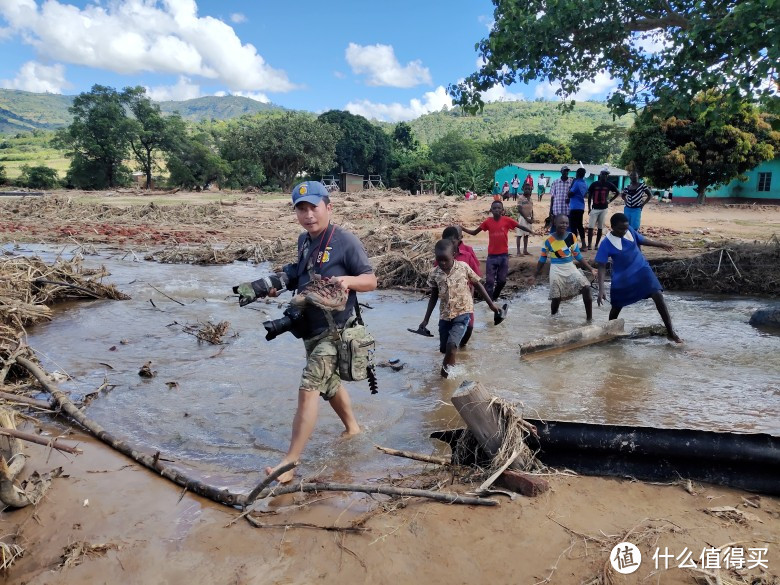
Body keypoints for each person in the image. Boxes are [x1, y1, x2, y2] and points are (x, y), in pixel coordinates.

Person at [257, 181, 377, 483]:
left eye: (313, 207)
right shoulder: (305, 240)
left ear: (328, 207)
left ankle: (289, 464)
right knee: (330, 385)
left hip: (336, 332)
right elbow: (300, 271)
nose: (308, 214)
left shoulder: (346, 241)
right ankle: (353, 429)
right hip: (310, 329)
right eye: (301, 209)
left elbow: (371, 280)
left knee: (309, 388)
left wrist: (348, 281)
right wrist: (276, 284)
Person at [419, 239, 501, 377]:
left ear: (454, 255)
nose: (443, 263)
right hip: (445, 315)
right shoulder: (434, 273)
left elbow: (477, 284)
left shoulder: (463, 267)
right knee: (444, 349)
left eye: (445, 260)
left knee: (451, 347)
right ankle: (455, 369)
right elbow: (433, 297)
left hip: (463, 312)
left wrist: (491, 305)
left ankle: (445, 378)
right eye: (439, 260)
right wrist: (425, 320)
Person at [596, 213, 681, 343]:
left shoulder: (629, 230)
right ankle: (609, 333)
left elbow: (643, 240)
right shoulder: (606, 243)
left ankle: (671, 332)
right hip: (622, 278)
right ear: (612, 227)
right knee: (616, 306)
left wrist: (661, 244)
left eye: (626, 228)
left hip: (642, 270)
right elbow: (601, 267)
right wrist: (601, 289)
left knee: (658, 295)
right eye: (620, 229)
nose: (624, 231)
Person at [462, 200, 531, 300]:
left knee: (502, 281)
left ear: (502, 210)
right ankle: (489, 303)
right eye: (494, 208)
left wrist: (532, 231)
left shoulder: (507, 220)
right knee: (489, 281)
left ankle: (494, 298)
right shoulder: (488, 222)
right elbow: (474, 233)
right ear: (491, 210)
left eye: (499, 208)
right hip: (492, 257)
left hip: (503, 256)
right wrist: (463, 229)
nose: (497, 210)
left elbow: (520, 226)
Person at [533, 214, 596, 320]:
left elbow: (578, 255)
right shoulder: (548, 240)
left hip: (570, 267)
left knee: (586, 288)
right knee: (556, 297)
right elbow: (543, 259)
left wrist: (591, 269)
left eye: (566, 223)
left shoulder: (572, 236)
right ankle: (553, 319)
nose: (564, 225)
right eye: (562, 222)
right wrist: (534, 275)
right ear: (555, 223)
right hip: (556, 269)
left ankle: (589, 320)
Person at [440, 225, 481, 347]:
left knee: (469, 327)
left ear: (459, 239)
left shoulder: (467, 254)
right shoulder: (441, 258)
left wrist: (472, 296)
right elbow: (437, 279)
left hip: (466, 299)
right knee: (446, 340)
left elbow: (476, 278)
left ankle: (460, 348)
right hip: (448, 302)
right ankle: (453, 352)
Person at [587, 168, 620, 250]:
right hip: (594, 208)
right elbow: (589, 196)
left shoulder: (609, 184)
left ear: (607, 176)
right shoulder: (594, 184)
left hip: (604, 209)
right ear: (600, 175)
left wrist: (610, 200)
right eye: (603, 174)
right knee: (590, 227)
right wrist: (589, 208)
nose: (604, 176)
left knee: (600, 228)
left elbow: (617, 192)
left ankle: (596, 245)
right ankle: (589, 245)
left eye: (606, 175)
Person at [548, 165, 573, 232]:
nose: (566, 173)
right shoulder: (555, 182)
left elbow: (574, 194)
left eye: (567, 171)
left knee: (567, 227)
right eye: (565, 171)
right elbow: (552, 197)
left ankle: (567, 242)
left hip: (567, 209)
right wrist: (550, 211)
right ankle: (551, 242)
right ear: (561, 172)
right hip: (557, 209)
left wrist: (570, 198)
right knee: (554, 227)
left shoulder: (571, 182)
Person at [567, 167, 588, 246]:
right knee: (580, 226)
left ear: (577, 174)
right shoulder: (585, 183)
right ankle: (584, 245)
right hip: (581, 206)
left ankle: (574, 245)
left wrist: (572, 184)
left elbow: (570, 194)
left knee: (573, 227)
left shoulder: (576, 183)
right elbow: (585, 194)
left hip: (574, 207)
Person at [516, 183, 534, 256]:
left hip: (529, 218)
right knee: (519, 235)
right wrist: (526, 218)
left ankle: (525, 250)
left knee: (526, 235)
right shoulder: (521, 198)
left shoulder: (531, 198)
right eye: (526, 189)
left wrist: (532, 217)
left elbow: (531, 209)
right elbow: (519, 209)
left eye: (529, 189)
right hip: (522, 218)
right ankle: (518, 251)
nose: (528, 190)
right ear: (523, 189)